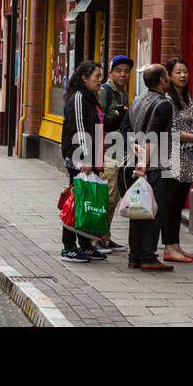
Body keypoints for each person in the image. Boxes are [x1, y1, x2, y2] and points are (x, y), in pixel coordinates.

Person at [122, 64, 175, 271]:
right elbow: (154, 133)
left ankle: (134, 256)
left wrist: (133, 144)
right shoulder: (164, 105)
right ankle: (148, 257)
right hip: (154, 166)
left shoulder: (136, 101)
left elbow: (124, 129)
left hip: (136, 166)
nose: (169, 78)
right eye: (167, 76)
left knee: (137, 209)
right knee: (153, 211)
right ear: (162, 81)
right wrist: (145, 161)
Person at [58, 60, 108, 264]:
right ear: (84, 78)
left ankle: (85, 246)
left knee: (86, 201)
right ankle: (68, 247)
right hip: (80, 158)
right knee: (76, 202)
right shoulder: (78, 97)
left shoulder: (90, 98)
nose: (100, 80)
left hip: (91, 158)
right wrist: (85, 158)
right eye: (96, 76)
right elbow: (79, 128)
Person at [160, 56, 193, 263]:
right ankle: (168, 247)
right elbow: (171, 131)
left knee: (179, 202)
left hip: (187, 156)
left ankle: (176, 245)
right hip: (172, 156)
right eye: (178, 72)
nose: (183, 76)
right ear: (168, 76)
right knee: (170, 202)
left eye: (185, 72)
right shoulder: (168, 100)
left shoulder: (186, 98)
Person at [97, 55, 134, 254]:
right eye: (119, 70)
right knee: (107, 197)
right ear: (110, 72)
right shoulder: (105, 92)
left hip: (119, 150)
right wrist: (116, 117)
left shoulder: (122, 93)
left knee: (114, 196)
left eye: (126, 71)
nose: (123, 74)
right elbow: (98, 119)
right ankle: (96, 239)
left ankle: (105, 237)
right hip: (107, 151)